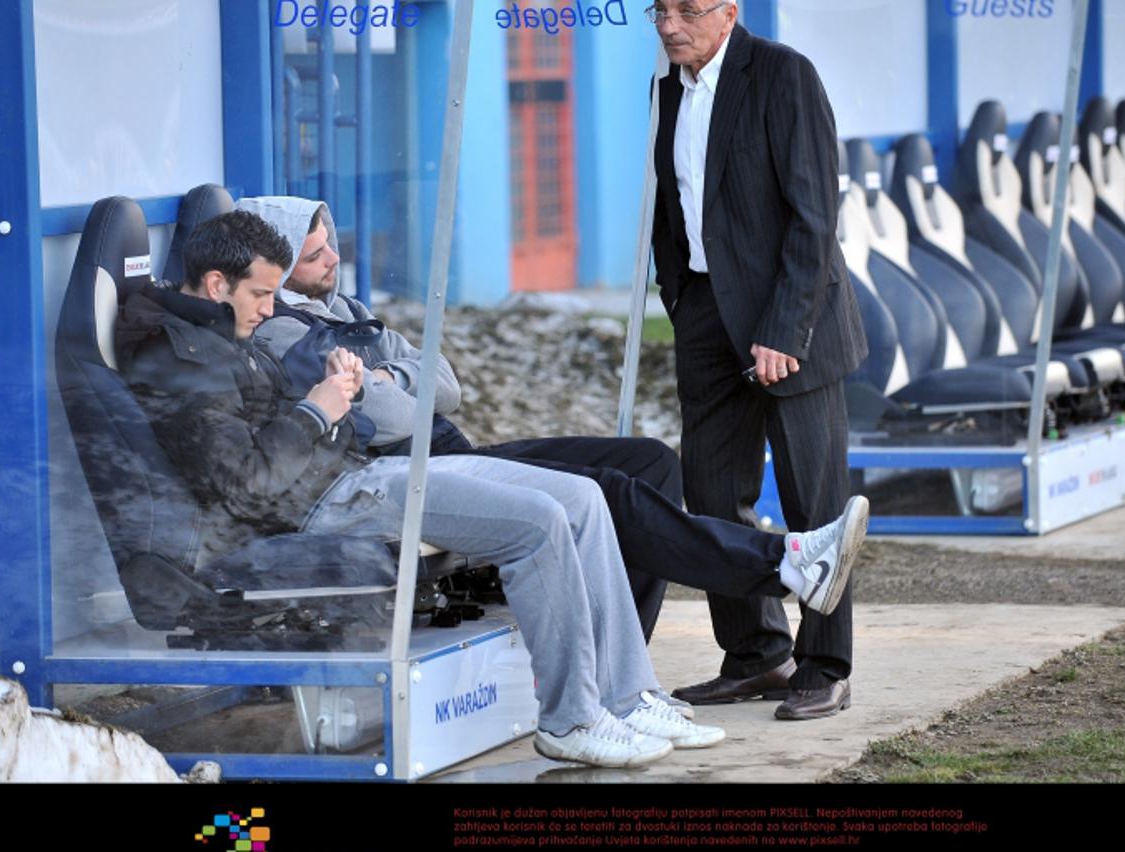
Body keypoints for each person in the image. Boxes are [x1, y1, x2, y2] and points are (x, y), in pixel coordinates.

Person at [114, 211, 847, 767]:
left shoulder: (227, 338)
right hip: (323, 507)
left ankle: (627, 694)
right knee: (535, 523)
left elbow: (419, 400)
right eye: (262, 294)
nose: (271, 308)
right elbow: (246, 487)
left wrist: (331, 408)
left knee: (585, 499)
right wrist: (321, 410)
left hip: (355, 476)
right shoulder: (185, 359)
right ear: (215, 284)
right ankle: (568, 721)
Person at [232, 196, 868, 669]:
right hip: (417, 480)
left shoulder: (348, 312)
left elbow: (445, 386)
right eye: (314, 256)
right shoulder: (282, 331)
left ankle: (616, 660)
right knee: (606, 495)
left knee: (651, 463)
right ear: (278, 272)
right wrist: (394, 382)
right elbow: (392, 417)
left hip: (458, 460)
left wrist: (381, 376)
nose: (334, 259)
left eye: (331, 243)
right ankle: (781, 566)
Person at [648, 1, 869, 721]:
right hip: (708, 316)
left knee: (816, 503)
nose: (669, 23)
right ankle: (756, 653)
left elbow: (814, 215)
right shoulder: (668, 86)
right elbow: (676, 208)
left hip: (788, 315)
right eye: (659, 9)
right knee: (711, 491)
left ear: (729, 12)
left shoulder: (783, 76)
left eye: (686, 9)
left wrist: (785, 329)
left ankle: (825, 663)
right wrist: (681, 298)